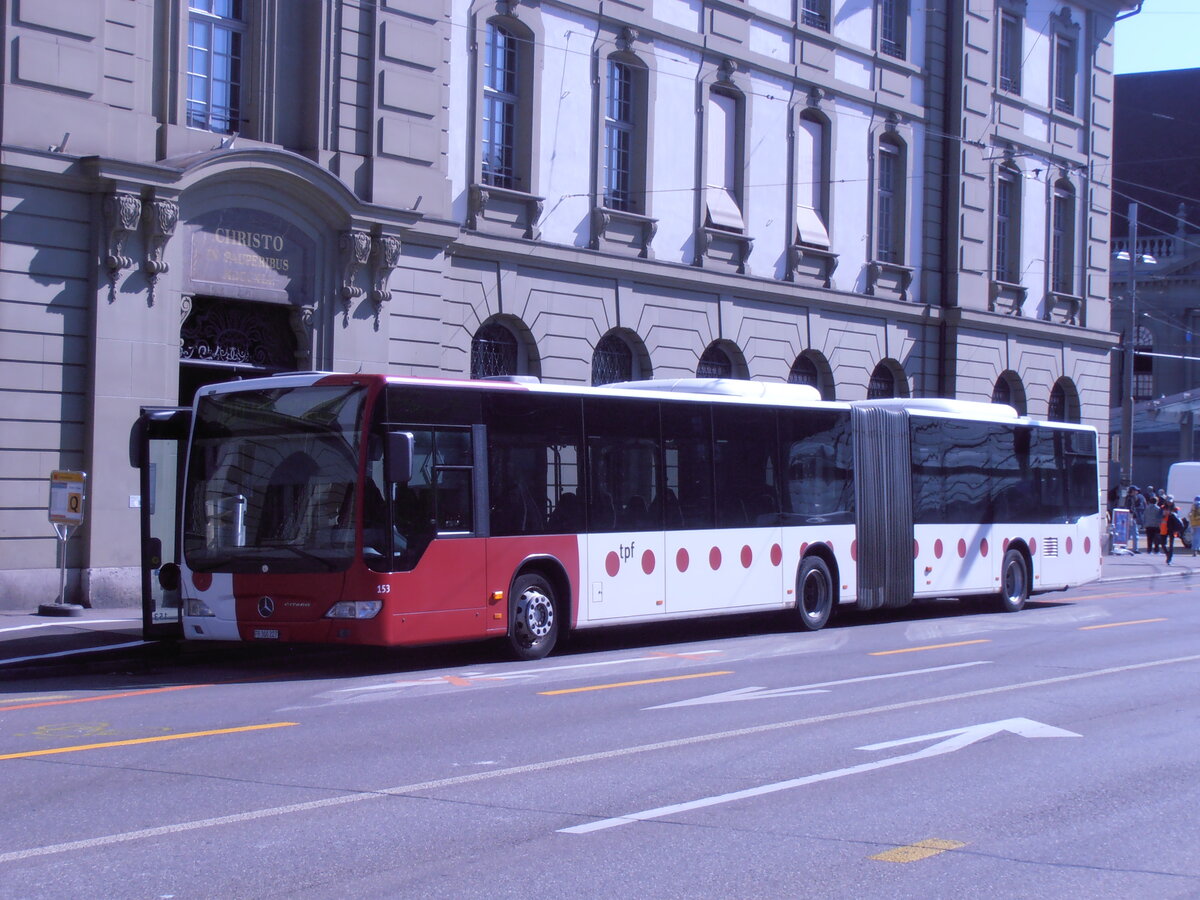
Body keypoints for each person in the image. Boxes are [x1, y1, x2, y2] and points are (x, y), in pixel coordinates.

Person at [1163, 496, 1186, 565]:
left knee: (1171, 544)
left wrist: (1172, 514)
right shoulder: (1163, 507)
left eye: (1170, 501)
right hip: (1163, 528)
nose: (1169, 503)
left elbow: (1177, 519)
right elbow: (1159, 516)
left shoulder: (1175, 509)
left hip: (1172, 528)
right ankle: (1168, 554)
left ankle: (1169, 559)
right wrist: (1163, 514)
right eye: (1168, 501)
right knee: (1162, 543)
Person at [1126, 486, 1146, 553]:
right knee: (1133, 533)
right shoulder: (1130, 498)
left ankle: (1126, 547)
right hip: (1130, 516)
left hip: (1131, 516)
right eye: (1135, 490)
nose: (1137, 492)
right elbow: (1131, 508)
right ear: (1132, 491)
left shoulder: (1132, 497)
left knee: (1130, 533)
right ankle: (1134, 549)